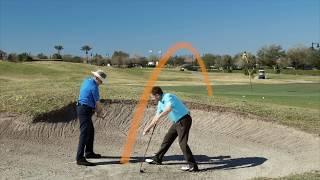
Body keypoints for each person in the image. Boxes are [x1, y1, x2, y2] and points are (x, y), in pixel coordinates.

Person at [143, 86, 199, 172]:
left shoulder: (168, 96)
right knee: (167, 139)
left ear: (157, 95)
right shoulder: (160, 103)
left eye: (152, 97)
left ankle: (193, 166)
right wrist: (148, 128)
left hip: (184, 120)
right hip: (177, 122)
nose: (152, 99)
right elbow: (155, 117)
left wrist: (159, 116)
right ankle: (157, 159)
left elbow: (169, 108)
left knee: (182, 143)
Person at [76, 70, 107, 166]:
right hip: (84, 109)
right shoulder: (94, 87)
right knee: (84, 133)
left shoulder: (87, 81)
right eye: (101, 81)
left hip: (84, 108)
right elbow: (98, 104)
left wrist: (98, 112)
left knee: (90, 131)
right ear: (97, 78)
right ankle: (80, 158)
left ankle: (89, 152)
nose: (101, 83)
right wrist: (100, 113)